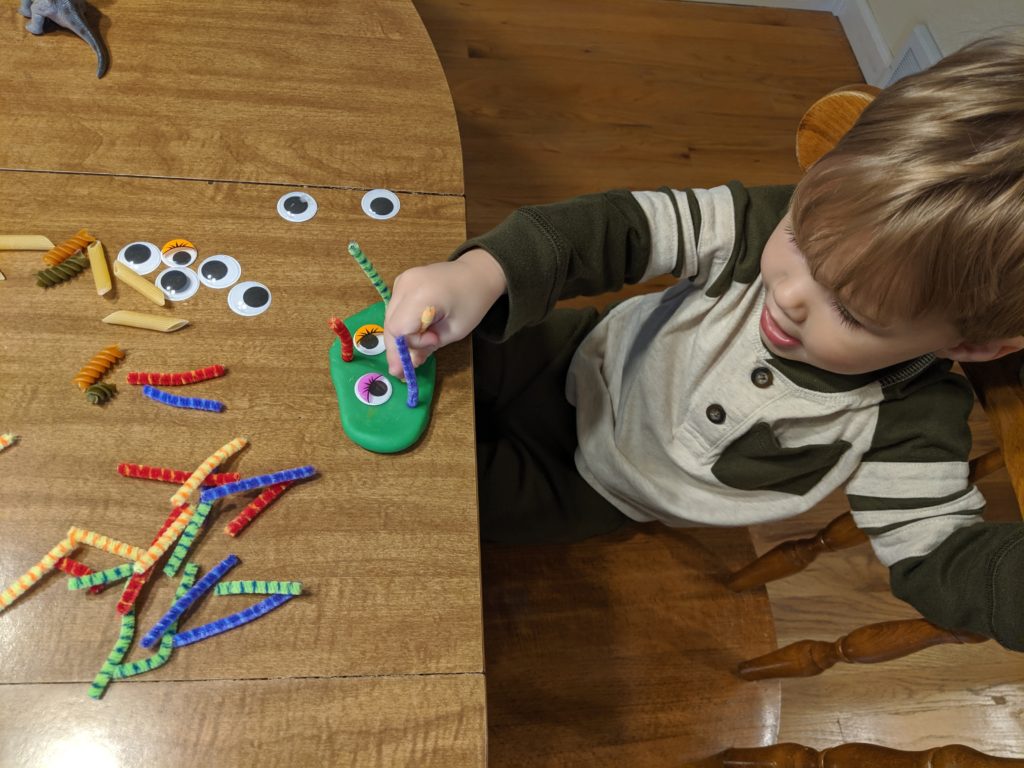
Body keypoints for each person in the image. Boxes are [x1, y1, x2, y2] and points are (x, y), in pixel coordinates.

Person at [383, 34, 1024, 650]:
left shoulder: (908, 423)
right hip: (572, 355)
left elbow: (938, 556)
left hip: (599, 488)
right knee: (393, 372)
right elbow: (620, 227)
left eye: (851, 312)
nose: (790, 292)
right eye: (801, 234)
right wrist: (482, 271)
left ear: (974, 346)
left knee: (430, 505)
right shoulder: (757, 223)